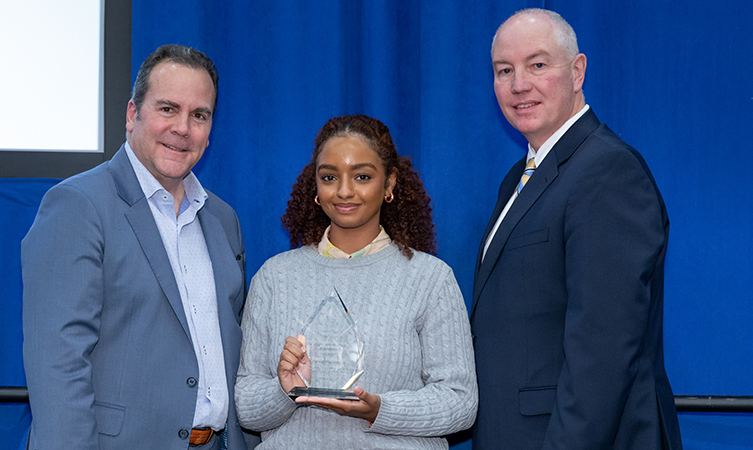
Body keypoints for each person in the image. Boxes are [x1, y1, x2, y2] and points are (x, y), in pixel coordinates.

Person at [22, 44, 256, 449]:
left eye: (199, 115)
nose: (183, 128)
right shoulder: (79, 206)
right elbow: (57, 365)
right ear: (133, 115)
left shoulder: (223, 219)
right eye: (168, 109)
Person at [470, 9, 682, 449]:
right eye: (504, 70)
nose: (518, 84)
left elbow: (602, 353)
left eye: (538, 65)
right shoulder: (519, 177)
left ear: (578, 71)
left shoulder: (607, 171)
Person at [234, 114, 477, 449]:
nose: (344, 191)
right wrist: (287, 389)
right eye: (330, 177)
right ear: (316, 186)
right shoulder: (274, 278)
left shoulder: (430, 279)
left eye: (362, 176)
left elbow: (461, 403)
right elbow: (246, 409)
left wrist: (380, 410)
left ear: (389, 183)